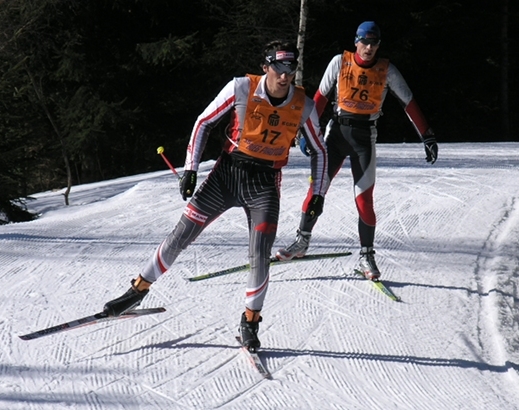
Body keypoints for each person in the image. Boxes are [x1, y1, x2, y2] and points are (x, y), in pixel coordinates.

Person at [103, 40, 329, 351]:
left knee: (259, 254)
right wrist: (191, 169)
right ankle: (138, 290)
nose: (285, 75)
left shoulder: (302, 105)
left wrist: (318, 192)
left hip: (263, 183)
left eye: (290, 68)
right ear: (266, 67)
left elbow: (319, 150)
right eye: (278, 68)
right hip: (227, 174)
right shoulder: (241, 88)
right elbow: (203, 122)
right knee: (181, 234)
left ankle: (250, 321)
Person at [275, 21, 438, 281]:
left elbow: (409, 102)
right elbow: (320, 98)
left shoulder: (387, 70)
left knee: (364, 200)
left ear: (379, 45)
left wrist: (427, 136)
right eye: (365, 42)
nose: (369, 48)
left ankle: (366, 255)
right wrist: (306, 133)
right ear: (356, 41)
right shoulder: (340, 62)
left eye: (374, 43)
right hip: (337, 134)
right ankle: (302, 241)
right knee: (317, 189)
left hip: (364, 139)